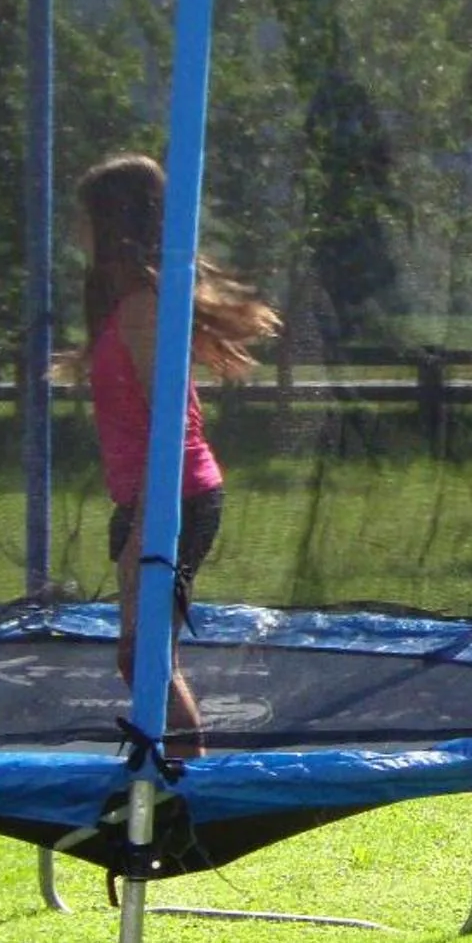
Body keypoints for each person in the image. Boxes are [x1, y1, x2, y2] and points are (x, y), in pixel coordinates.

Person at [73, 153, 279, 749]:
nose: (76, 232)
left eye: (84, 218)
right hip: (153, 494)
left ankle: (184, 782)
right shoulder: (124, 303)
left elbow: (168, 423)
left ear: (112, 224)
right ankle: (173, 779)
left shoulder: (142, 309)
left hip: (173, 494)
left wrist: (147, 523)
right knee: (141, 658)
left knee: (144, 658)